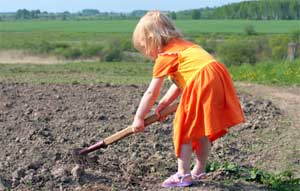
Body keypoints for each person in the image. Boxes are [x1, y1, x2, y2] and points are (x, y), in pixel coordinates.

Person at [131, 10, 245, 188]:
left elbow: (151, 92)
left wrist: (139, 117)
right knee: (199, 129)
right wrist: (164, 104)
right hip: (217, 75)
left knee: (184, 128)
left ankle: (183, 174)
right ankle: (199, 171)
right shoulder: (186, 47)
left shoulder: (166, 56)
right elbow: (178, 83)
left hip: (202, 80)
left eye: (145, 47)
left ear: (153, 39)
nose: (146, 53)